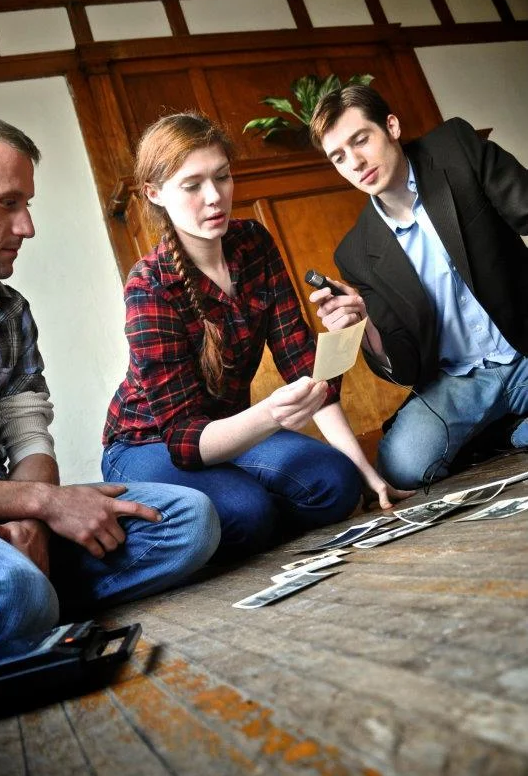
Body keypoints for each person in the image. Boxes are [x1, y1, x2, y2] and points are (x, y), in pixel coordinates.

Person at [0, 111, 220, 670]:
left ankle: (18, 596)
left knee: (190, 523)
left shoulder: (10, 309)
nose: (27, 227)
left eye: (28, 205)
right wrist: (40, 503)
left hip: (5, 500)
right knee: (11, 595)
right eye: (7, 203)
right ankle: (15, 595)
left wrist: (35, 521)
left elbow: (27, 433)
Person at [102, 112, 412, 560]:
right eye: (192, 186)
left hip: (235, 432)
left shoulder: (253, 244)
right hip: (147, 443)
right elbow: (186, 441)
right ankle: (239, 508)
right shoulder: (148, 286)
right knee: (245, 513)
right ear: (155, 194)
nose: (215, 197)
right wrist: (270, 414)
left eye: (222, 177)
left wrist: (367, 470)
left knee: (339, 483)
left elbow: (303, 367)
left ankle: (247, 507)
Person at [309, 85, 528, 490]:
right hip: (459, 380)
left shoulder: (455, 149)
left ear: (391, 126)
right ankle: (507, 434)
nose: (355, 163)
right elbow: (406, 366)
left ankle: (509, 434)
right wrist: (365, 328)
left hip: (522, 347)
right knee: (403, 466)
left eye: (361, 140)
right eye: (339, 157)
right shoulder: (356, 252)